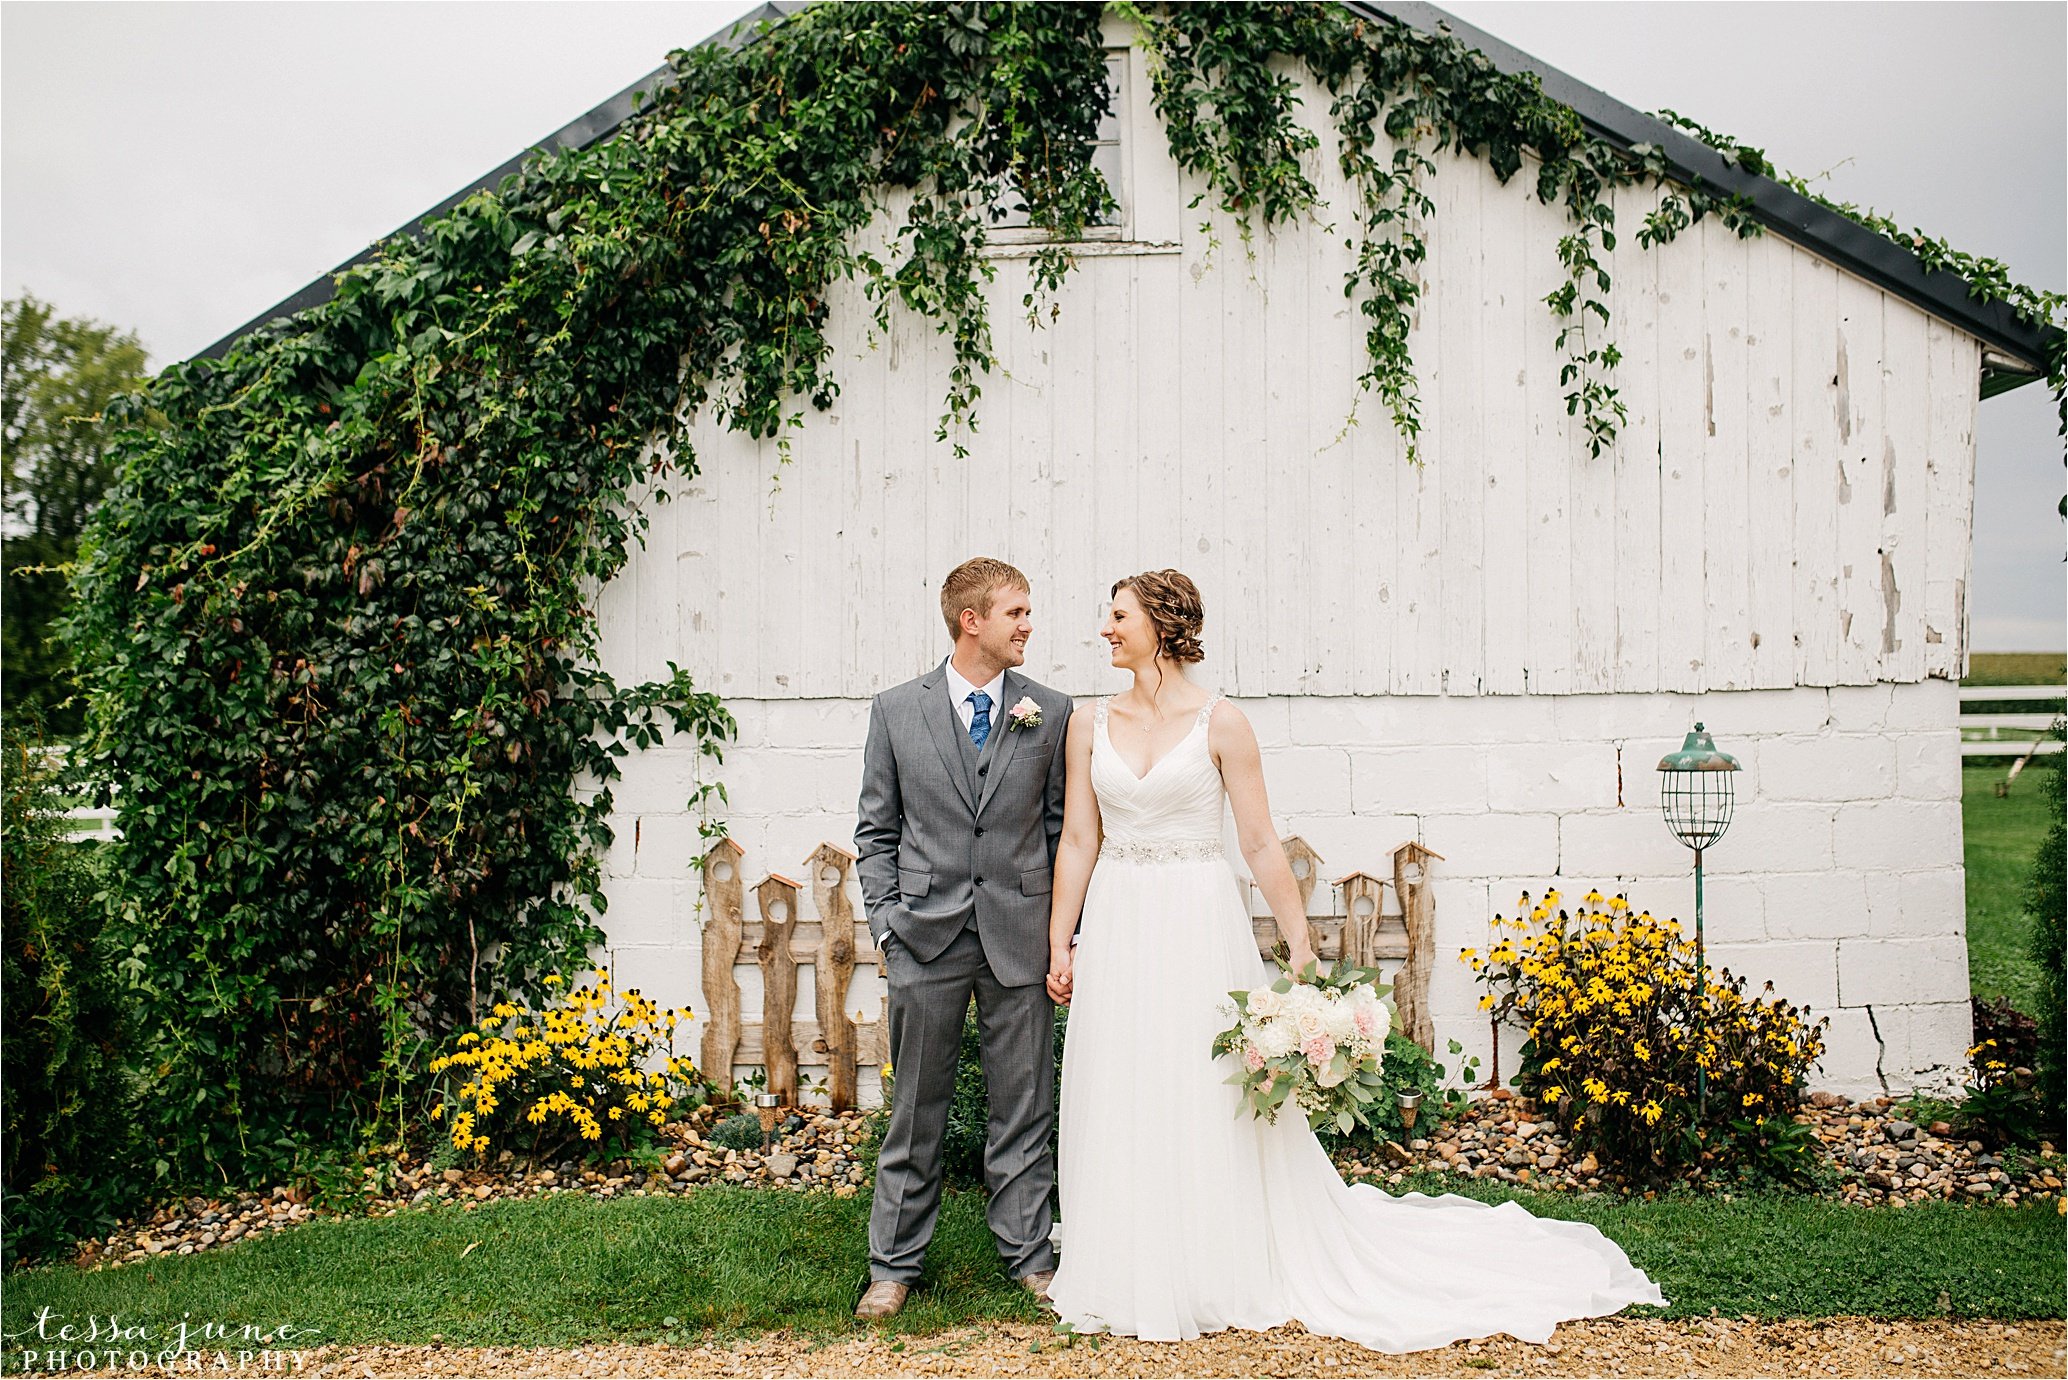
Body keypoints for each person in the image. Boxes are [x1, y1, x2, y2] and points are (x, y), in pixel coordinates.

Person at [1041, 568, 1668, 1353]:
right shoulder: (1085, 724)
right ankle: (1128, 1256)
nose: (1105, 629)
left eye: (1118, 616)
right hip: (1124, 915)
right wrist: (1064, 936)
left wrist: (1300, 939)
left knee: (1199, 1079)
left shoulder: (1222, 724)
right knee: (1124, 1073)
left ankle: (1211, 1255)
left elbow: (1262, 842)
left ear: (1161, 627)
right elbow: (1078, 839)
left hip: (1197, 918)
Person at [852, 557, 1073, 1320]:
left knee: (1024, 1105)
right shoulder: (895, 710)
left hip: (1020, 938)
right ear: (970, 620)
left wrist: (1059, 936)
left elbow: (1060, 830)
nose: (1028, 626)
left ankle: (1029, 1254)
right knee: (916, 1109)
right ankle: (893, 1265)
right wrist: (887, 925)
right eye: (1016, 612)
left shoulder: (1051, 710)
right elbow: (876, 830)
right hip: (924, 936)